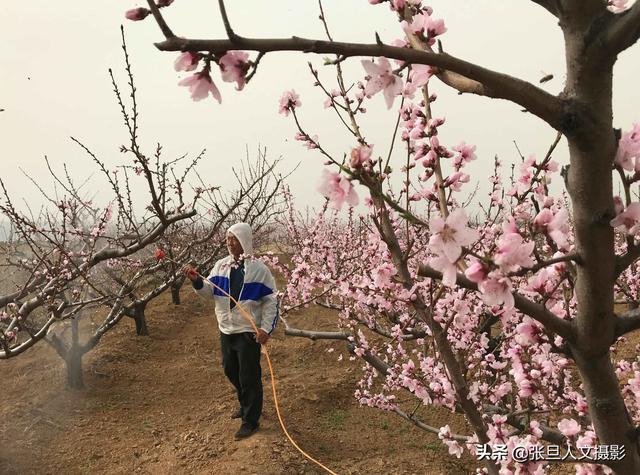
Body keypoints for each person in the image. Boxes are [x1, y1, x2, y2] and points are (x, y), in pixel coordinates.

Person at [183, 222, 279, 440]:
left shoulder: (258, 270)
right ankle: (246, 404)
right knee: (230, 370)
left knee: (249, 376)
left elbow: (271, 301)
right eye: (227, 238)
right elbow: (210, 293)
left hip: (247, 331)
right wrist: (197, 281)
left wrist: (265, 329)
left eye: (233, 239)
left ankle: (251, 420)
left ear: (244, 241)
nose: (229, 243)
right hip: (226, 330)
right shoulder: (221, 266)